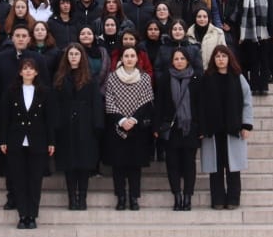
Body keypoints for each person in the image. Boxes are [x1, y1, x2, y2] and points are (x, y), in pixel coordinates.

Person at [0, 56, 54, 229]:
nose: (28, 71)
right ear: (20, 71)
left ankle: (32, 216)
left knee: (35, 180)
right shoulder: (11, 91)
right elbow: (4, 119)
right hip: (16, 140)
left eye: (31, 68)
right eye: (25, 68)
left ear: (36, 72)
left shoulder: (44, 91)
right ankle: (22, 215)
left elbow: (49, 120)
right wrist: (2, 139)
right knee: (19, 180)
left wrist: (51, 142)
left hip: (37, 140)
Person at [198, 45, 253, 210]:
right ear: (213, 59)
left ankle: (233, 199)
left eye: (223, 56)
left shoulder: (238, 77)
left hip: (233, 129)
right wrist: (201, 128)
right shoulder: (207, 78)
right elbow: (200, 105)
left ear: (229, 58)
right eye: (217, 56)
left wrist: (247, 125)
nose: (220, 59)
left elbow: (247, 102)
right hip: (213, 131)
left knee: (233, 167)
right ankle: (218, 199)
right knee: (215, 168)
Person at [51, 43, 104, 210]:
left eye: (76, 54)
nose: (73, 57)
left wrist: (97, 125)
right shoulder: (59, 77)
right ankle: (71, 197)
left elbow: (96, 103)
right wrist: (57, 124)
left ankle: (82, 197)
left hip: (85, 125)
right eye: (71, 54)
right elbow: (56, 103)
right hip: (66, 125)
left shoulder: (90, 78)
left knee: (84, 163)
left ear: (82, 57)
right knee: (69, 164)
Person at [102, 46, 154, 210]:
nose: (130, 58)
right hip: (117, 127)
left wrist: (133, 119)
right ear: (121, 59)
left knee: (134, 166)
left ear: (137, 59)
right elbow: (109, 101)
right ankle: (121, 198)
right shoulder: (112, 78)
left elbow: (147, 101)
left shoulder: (144, 78)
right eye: (126, 56)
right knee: (118, 165)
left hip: (137, 128)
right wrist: (122, 119)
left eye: (132, 56)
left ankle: (134, 198)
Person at [154, 46, 201, 211]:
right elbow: (159, 104)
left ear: (187, 60)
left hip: (190, 128)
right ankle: (177, 196)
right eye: (176, 59)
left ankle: (188, 196)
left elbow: (202, 106)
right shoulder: (166, 78)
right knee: (172, 163)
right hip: (171, 127)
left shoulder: (196, 78)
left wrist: (201, 128)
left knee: (190, 164)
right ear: (171, 62)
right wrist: (157, 126)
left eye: (182, 59)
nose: (179, 62)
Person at [228, 0, 273, 96]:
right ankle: (255, 86)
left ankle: (264, 86)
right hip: (248, 32)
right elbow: (240, 10)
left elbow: (272, 11)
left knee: (264, 60)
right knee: (253, 60)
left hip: (264, 32)